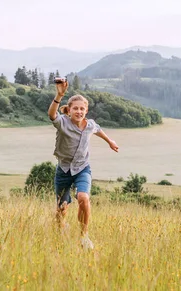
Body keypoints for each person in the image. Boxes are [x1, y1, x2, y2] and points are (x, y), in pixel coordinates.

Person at [48, 78, 119, 250]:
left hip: (82, 168)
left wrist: (109, 141)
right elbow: (52, 115)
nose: (79, 111)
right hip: (64, 169)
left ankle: (84, 236)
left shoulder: (90, 125)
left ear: (86, 110)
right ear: (69, 111)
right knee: (61, 210)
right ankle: (61, 230)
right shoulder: (62, 122)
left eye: (82, 109)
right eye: (75, 108)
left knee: (83, 198)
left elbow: (98, 129)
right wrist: (59, 96)